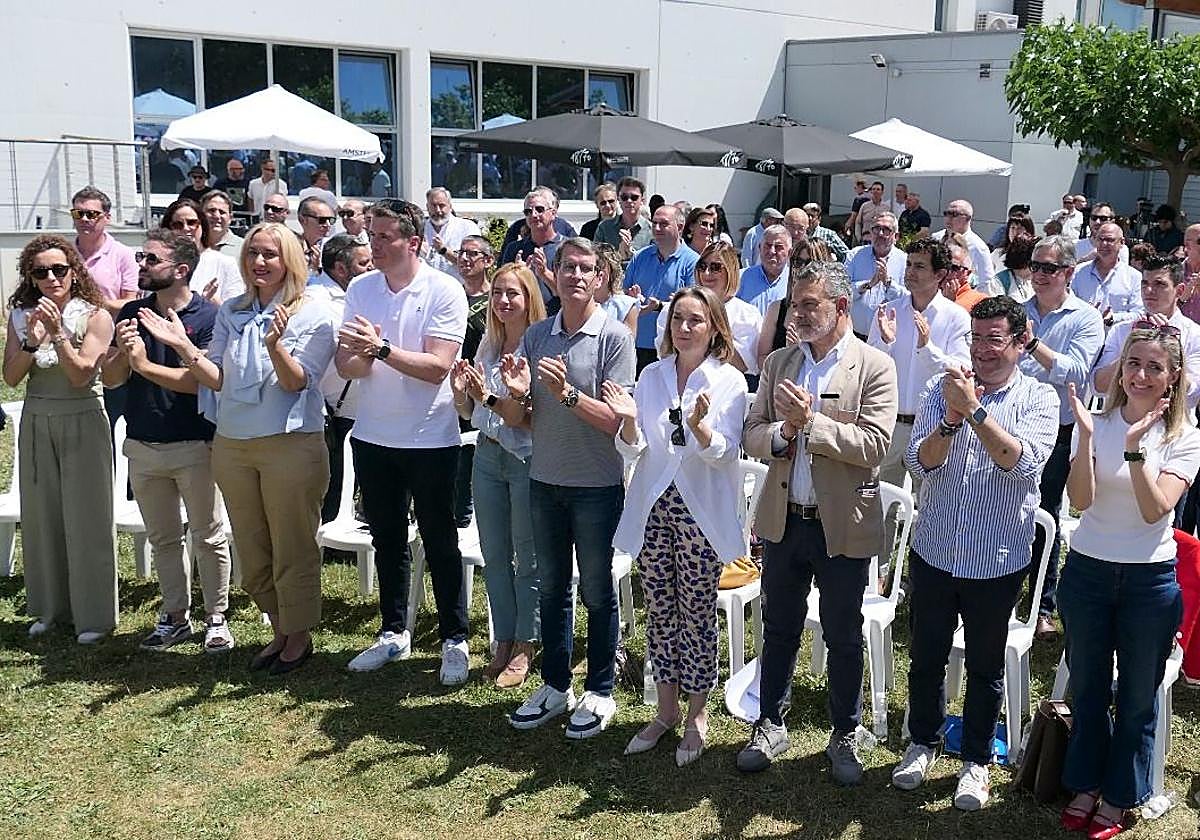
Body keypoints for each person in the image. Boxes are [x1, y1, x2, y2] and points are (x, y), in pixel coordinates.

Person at [138, 222, 336, 674]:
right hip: (233, 443)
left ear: (290, 259)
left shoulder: (314, 312)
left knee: (292, 543)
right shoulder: (231, 310)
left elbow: (296, 382)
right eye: (252, 254)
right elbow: (220, 379)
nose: (259, 262)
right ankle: (278, 626)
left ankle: (297, 635)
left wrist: (274, 346)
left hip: (289, 444)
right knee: (250, 544)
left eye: (269, 254)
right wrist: (183, 346)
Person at [892, 295, 1058, 810]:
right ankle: (923, 741)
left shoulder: (1038, 398)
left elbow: (1023, 465)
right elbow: (920, 466)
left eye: (995, 339)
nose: (983, 350)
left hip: (997, 557)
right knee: (925, 657)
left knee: (986, 667)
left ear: (1020, 343)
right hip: (936, 549)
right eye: (976, 338)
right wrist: (948, 420)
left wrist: (975, 411)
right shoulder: (938, 389)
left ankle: (978, 761)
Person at [737, 261, 897, 785]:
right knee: (778, 625)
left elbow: (875, 445)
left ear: (842, 308)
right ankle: (770, 722)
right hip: (785, 521)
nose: (798, 314)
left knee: (843, 633)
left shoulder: (874, 365)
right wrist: (784, 431)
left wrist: (815, 424)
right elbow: (752, 435)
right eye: (794, 304)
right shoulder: (780, 362)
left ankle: (845, 732)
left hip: (841, 526)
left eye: (810, 304)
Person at [1058, 325, 1200, 838]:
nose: (1140, 374)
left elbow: (1154, 510)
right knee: (1089, 685)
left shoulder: (1186, 436)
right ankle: (1085, 783)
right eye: (1133, 363)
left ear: (1173, 377)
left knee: (1139, 695)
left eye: (1154, 367)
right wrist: (1086, 443)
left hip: (1149, 582)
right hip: (1088, 573)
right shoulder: (1095, 423)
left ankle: (1121, 794)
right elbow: (1079, 501)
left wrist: (1137, 452)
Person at [495, 237, 635, 739]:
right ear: (553, 273)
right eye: (568, 267)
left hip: (596, 486)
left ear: (600, 278)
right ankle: (556, 686)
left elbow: (617, 423)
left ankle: (599, 690)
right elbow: (528, 420)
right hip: (544, 481)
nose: (577, 275)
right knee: (551, 589)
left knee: (598, 593)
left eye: (587, 268)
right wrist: (505, 398)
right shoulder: (536, 336)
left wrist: (568, 394)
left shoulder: (614, 338)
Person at [607, 286, 748, 767]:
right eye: (678, 320)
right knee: (661, 608)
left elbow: (725, 452)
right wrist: (627, 423)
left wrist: (702, 427)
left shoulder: (729, 381)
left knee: (696, 614)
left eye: (695, 320)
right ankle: (664, 709)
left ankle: (696, 714)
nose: (684, 328)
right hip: (655, 505)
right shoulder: (652, 375)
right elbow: (636, 447)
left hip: (699, 512)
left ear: (714, 329)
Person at [335, 199, 470, 685]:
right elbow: (347, 365)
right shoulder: (360, 288)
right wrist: (363, 356)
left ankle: (455, 636)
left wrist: (380, 349)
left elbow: (438, 369)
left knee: (439, 539)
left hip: (430, 438)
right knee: (387, 538)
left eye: (385, 236)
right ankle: (394, 631)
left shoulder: (445, 290)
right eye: (372, 235)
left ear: (413, 242)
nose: (375, 244)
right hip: (373, 435)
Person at [102, 229, 234, 653]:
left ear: (180, 270)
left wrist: (143, 363)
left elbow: (202, 385)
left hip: (196, 443)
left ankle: (216, 617)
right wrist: (122, 356)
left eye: (150, 260)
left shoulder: (208, 317)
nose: (141, 265)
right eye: (141, 257)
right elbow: (112, 379)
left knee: (208, 534)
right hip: (143, 442)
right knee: (163, 538)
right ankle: (175, 617)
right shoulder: (131, 311)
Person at [3, 236, 117, 644]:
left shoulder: (96, 316)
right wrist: (33, 338)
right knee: (42, 515)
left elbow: (81, 374)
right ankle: (50, 609)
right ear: (30, 277)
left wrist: (59, 335)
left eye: (59, 270)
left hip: (82, 418)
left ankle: (94, 615)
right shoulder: (20, 315)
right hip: (37, 418)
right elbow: (12, 378)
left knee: (86, 517)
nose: (51, 278)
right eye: (40, 272)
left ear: (74, 271)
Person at [449, 262, 547, 689]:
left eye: (514, 293)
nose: (504, 301)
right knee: (494, 553)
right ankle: (503, 637)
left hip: (525, 460)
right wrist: (461, 397)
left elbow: (529, 418)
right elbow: (475, 412)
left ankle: (527, 641)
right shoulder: (487, 344)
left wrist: (483, 396)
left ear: (529, 300)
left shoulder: (539, 345)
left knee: (526, 557)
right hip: (487, 456)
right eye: (498, 293)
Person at [1021, 235, 1105, 639]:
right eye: (1035, 265)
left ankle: (1042, 603)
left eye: (1048, 268)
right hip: (1010, 424)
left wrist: (1032, 345)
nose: (1038, 274)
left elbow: (1076, 372)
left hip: (1056, 430)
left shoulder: (1085, 318)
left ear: (1069, 273)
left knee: (1044, 516)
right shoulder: (1019, 311)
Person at [868, 238, 971, 569]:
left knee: (930, 505)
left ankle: (921, 575)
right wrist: (885, 343)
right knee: (881, 501)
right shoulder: (889, 310)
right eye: (909, 264)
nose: (910, 272)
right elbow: (869, 366)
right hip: (891, 423)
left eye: (919, 266)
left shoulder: (956, 317)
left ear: (940, 274)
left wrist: (927, 347)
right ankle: (879, 576)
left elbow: (960, 371)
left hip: (933, 427)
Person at [307, 234, 374, 524]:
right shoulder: (320, 300)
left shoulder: (355, 293)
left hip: (353, 405)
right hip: (332, 406)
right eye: (364, 263)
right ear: (340, 269)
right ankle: (331, 532)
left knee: (348, 476)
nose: (372, 268)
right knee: (335, 478)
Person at [71, 186, 139, 437]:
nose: (85, 220)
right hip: (70, 341)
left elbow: (129, 303)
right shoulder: (65, 254)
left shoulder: (122, 255)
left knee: (108, 416)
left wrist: (93, 302)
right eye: (79, 214)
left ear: (106, 218)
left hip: (109, 346)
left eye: (92, 214)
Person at [1093, 254, 1200, 410]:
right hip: (1120, 426)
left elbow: (1193, 393)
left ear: (1179, 290)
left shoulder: (1194, 335)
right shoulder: (1121, 330)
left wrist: (1169, 349)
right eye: (1145, 284)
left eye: (1159, 284)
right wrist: (1132, 348)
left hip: (1171, 428)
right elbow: (1099, 386)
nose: (1149, 290)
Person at [657, 241, 761, 381]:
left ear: (730, 270)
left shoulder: (747, 314)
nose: (706, 273)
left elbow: (743, 365)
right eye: (702, 266)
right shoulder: (674, 308)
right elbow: (665, 353)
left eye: (715, 267)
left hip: (724, 387)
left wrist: (715, 326)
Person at [623, 204, 698, 373]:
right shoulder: (640, 257)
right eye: (654, 223)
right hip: (636, 344)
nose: (656, 228)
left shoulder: (692, 262)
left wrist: (661, 306)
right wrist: (631, 297)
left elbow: (694, 304)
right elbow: (621, 294)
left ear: (679, 227)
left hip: (671, 348)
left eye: (663, 224)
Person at [755, 240, 834, 369]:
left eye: (809, 263)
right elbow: (762, 359)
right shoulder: (777, 309)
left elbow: (841, 359)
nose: (802, 268)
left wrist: (803, 352)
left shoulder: (835, 311)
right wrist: (788, 355)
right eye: (798, 262)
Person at [160, 198, 244, 304]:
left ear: (203, 225)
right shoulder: (160, 263)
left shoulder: (225, 263)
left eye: (192, 223)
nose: (186, 229)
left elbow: (236, 312)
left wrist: (210, 304)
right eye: (178, 225)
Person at [501, 187, 567, 307]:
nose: (533, 214)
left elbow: (568, 293)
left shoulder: (568, 248)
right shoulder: (514, 249)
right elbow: (503, 290)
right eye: (528, 211)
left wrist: (544, 273)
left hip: (557, 319)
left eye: (539, 209)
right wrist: (518, 275)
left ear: (553, 214)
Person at [847, 212, 907, 339]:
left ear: (896, 236)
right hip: (855, 335)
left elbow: (907, 299)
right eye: (876, 229)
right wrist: (869, 284)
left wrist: (887, 283)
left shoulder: (905, 261)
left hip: (887, 337)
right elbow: (842, 291)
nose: (880, 234)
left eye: (886, 230)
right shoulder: (854, 256)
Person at [1071, 223, 1141, 327]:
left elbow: (1139, 314)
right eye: (1100, 239)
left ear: (1122, 243)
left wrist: (1114, 318)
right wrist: (1086, 314)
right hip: (1083, 337)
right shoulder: (1079, 272)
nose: (1104, 244)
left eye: (1109, 240)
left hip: (1117, 340)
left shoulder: (1134, 277)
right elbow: (1068, 305)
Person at [933, 199, 998, 294]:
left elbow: (986, 283)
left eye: (954, 214)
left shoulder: (978, 247)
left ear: (968, 218)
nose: (948, 218)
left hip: (961, 297)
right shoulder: (936, 237)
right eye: (946, 213)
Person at [422, 187, 481, 281]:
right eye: (433, 205)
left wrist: (444, 251)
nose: (438, 210)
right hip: (426, 290)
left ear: (450, 206)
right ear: (427, 207)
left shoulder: (467, 227)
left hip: (460, 289)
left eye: (441, 205)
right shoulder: (419, 229)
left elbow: (474, 263)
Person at [735, 225, 792, 317]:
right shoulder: (740, 277)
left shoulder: (795, 281)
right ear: (759, 248)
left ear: (789, 253)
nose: (772, 251)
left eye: (778, 247)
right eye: (767, 246)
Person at [595, 176, 653, 263]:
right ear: (618, 199)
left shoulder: (651, 229)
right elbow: (596, 259)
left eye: (634, 197)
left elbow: (654, 262)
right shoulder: (604, 227)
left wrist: (631, 253)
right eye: (624, 197)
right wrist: (619, 255)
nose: (629, 201)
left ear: (642, 200)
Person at [593, 243, 639, 334]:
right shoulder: (577, 301)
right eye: (591, 268)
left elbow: (627, 344)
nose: (597, 273)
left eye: (601, 268)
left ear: (612, 271)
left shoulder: (626, 305)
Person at [940, 236, 990, 312]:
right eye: (943, 265)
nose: (947, 271)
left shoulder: (979, 301)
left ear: (967, 273)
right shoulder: (925, 292)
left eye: (954, 268)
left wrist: (949, 303)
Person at [297, 196, 337, 274]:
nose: (328, 225)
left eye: (331, 220)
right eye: (322, 220)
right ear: (302, 220)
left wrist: (318, 268)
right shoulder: (291, 247)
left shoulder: (334, 249)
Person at [994, 235, 1037, 303]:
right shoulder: (999, 281)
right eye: (1034, 266)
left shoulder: (1031, 281)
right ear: (1023, 263)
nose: (1036, 271)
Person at [201, 190, 244, 258]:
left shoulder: (244, 248)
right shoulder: (192, 245)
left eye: (222, 212)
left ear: (230, 218)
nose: (217, 216)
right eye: (212, 210)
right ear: (201, 215)